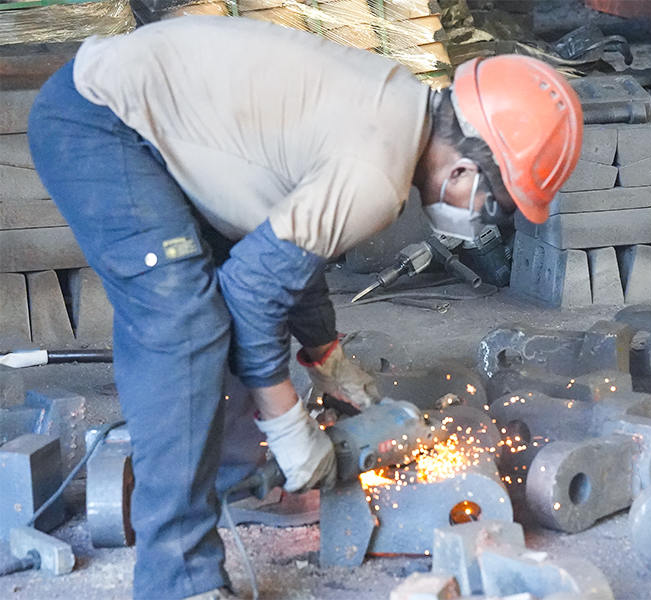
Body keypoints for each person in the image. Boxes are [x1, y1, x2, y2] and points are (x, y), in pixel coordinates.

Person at [27, 15, 582, 600]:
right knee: (185, 322)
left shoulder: (397, 106)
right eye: (493, 205)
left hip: (156, 133)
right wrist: (288, 423)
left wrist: (327, 356)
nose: (481, 221)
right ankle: (178, 578)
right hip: (101, 122)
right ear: (465, 168)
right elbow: (255, 291)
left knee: (224, 299)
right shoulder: (378, 173)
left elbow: (288, 247)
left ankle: (240, 482)